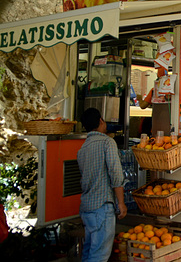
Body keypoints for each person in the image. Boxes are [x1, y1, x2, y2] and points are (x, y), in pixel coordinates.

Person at [77, 108, 127, 262]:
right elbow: (116, 174)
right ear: (100, 121)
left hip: (86, 208)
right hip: (102, 208)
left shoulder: (82, 148)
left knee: (89, 252)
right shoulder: (107, 142)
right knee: (99, 256)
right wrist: (121, 203)